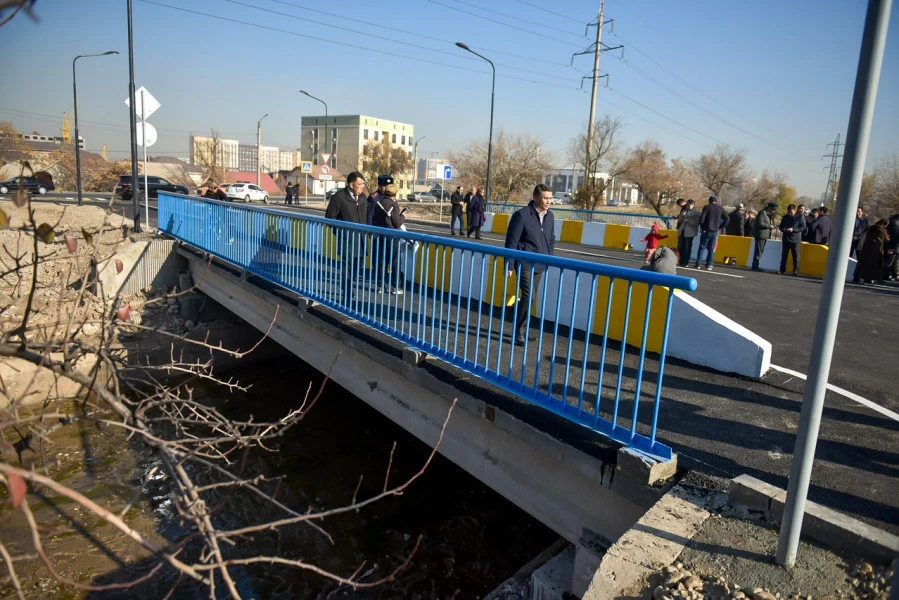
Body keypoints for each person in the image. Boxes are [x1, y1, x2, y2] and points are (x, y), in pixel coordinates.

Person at [505, 184, 555, 345]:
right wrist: (510, 264)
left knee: (532, 298)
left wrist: (550, 257)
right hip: (525, 261)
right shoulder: (522, 215)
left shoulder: (550, 216)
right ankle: (518, 333)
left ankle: (522, 329)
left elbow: (551, 238)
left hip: (541, 262)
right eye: (545, 198)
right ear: (535, 197)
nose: (548, 201)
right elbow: (511, 241)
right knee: (529, 295)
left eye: (550, 198)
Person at [325, 171, 369, 305]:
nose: (362, 187)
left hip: (361, 241)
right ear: (351, 184)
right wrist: (340, 233)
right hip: (347, 240)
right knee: (347, 269)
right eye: (360, 184)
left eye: (363, 184)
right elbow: (330, 218)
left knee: (356, 269)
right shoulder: (339, 197)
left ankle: (348, 287)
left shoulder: (362, 198)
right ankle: (347, 293)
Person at [370, 182, 407, 294]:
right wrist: (403, 216)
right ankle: (396, 287)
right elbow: (396, 223)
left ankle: (381, 286)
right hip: (393, 236)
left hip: (381, 235)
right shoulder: (393, 204)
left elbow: (374, 219)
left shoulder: (379, 203)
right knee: (395, 261)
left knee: (381, 261)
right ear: (394, 194)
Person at [693, 195, 725, 270]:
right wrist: (720, 227)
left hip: (706, 230)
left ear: (709, 201)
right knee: (711, 248)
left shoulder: (707, 207)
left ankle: (698, 264)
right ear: (716, 201)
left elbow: (702, 219)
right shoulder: (720, 208)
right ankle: (709, 265)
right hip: (715, 231)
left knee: (702, 247)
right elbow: (727, 219)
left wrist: (702, 227)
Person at [854, 219, 889, 284]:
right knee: (876, 265)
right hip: (876, 250)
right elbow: (887, 238)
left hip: (866, 249)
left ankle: (858, 278)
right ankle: (873, 279)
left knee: (863, 264)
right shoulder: (881, 230)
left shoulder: (871, 228)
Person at [778, 203, 806, 275]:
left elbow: (803, 227)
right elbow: (781, 226)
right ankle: (782, 269)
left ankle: (795, 270)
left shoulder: (800, 217)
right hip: (786, 238)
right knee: (784, 255)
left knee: (796, 255)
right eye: (788, 212)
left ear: (795, 210)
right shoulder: (785, 217)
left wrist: (793, 229)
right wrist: (784, 229)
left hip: (795, 239)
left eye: (791, 212)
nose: (790, 213)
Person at [751, 202, 778, 271]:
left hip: (764, 235)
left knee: (760, 250)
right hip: (760, 234)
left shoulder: (769, 214)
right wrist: (769, 226)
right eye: (773, 209)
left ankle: (755, 265)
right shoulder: (763, 213)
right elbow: (760, 223)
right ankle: (755, 266)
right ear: (769, 207)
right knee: (758, 251)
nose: (774, 211)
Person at [676, 199, 700, 267]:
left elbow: (696, 223)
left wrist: (687, 220)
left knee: (687, 248)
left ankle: (685, 262)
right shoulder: (684, 211)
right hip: (682, 231)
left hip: (689, 232)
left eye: (690, 205)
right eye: (687, 205)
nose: (688, 206)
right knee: (680, 247)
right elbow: (679, 220)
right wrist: (682, 216)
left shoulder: (697, 213)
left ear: (693, 205)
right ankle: (679, 260)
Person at [884, 214, 899, 281]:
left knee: (889, 262)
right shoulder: (896, 228)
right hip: (894, 248)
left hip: (890, 247)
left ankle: (886, 275)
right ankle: (893, 275)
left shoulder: (889, 227)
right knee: (892, 262)